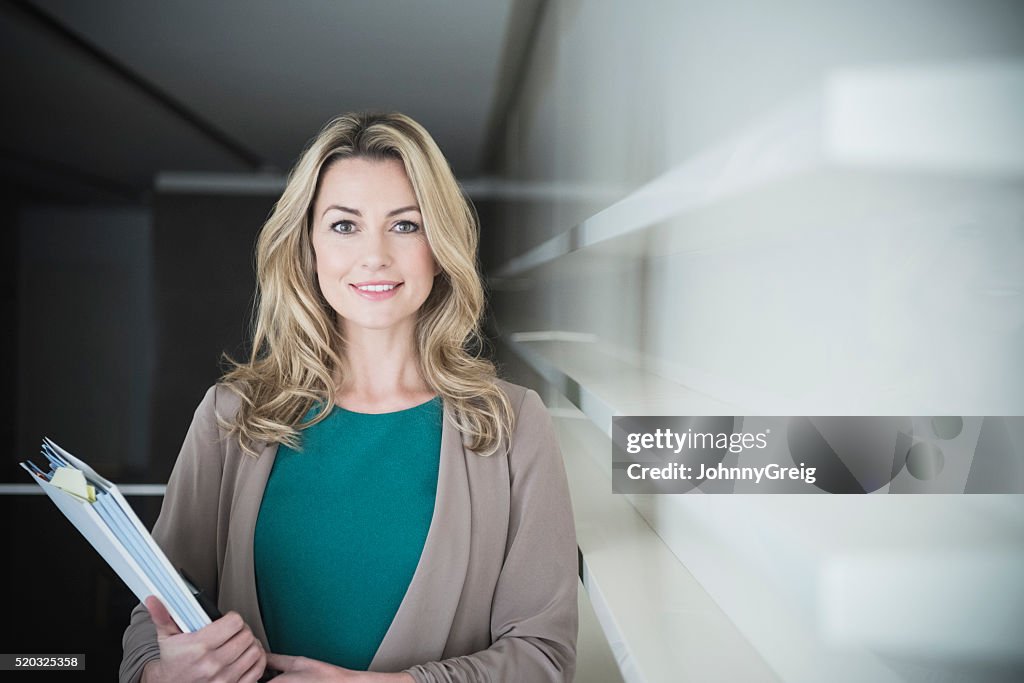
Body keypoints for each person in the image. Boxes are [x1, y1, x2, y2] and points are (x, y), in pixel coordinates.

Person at [119, 111, 579, 682]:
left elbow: (543, 656)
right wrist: (163, 675)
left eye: (405, 225)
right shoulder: (232, 414)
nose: (375, 255)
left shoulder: (511, 424)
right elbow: (154, 615)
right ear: (307, 244)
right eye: (344, 225)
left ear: (439, 246)